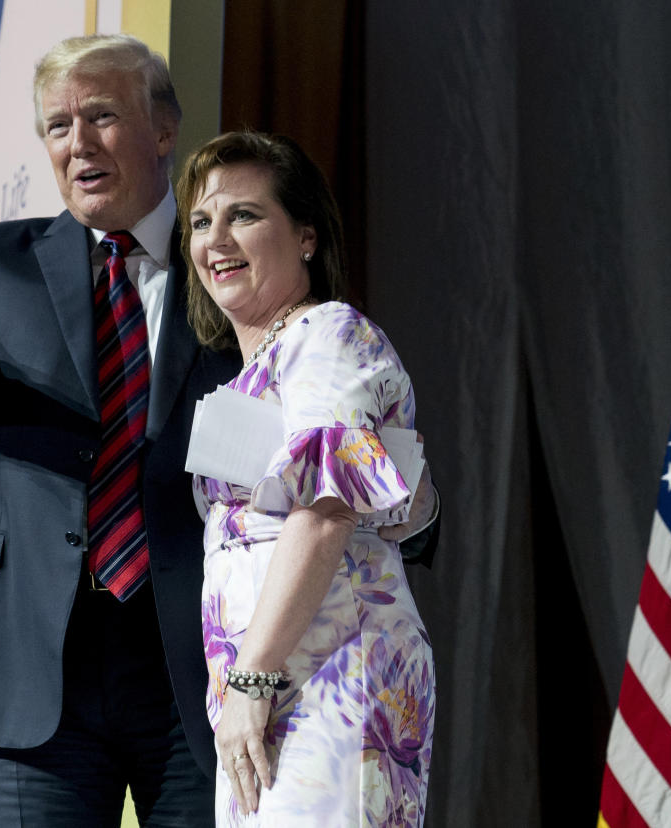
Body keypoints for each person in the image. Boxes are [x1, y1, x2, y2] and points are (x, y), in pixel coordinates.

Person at [0, 33, 434, 826]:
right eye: (57, 126)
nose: (77, 143)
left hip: (196, 664)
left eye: (99, 116)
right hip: (36, 664)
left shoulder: (234, 265)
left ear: (162, 130)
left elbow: (333, 455)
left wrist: (408, 511)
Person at [178, 131, 436, 825]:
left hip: (331, 680)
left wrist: (252, 677)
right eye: (202, 221)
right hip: (263, 697)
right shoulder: (256, 373)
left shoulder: (327, 335)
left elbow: (326, 513)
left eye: (245, 215)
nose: (215, 238)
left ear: (307, 239)